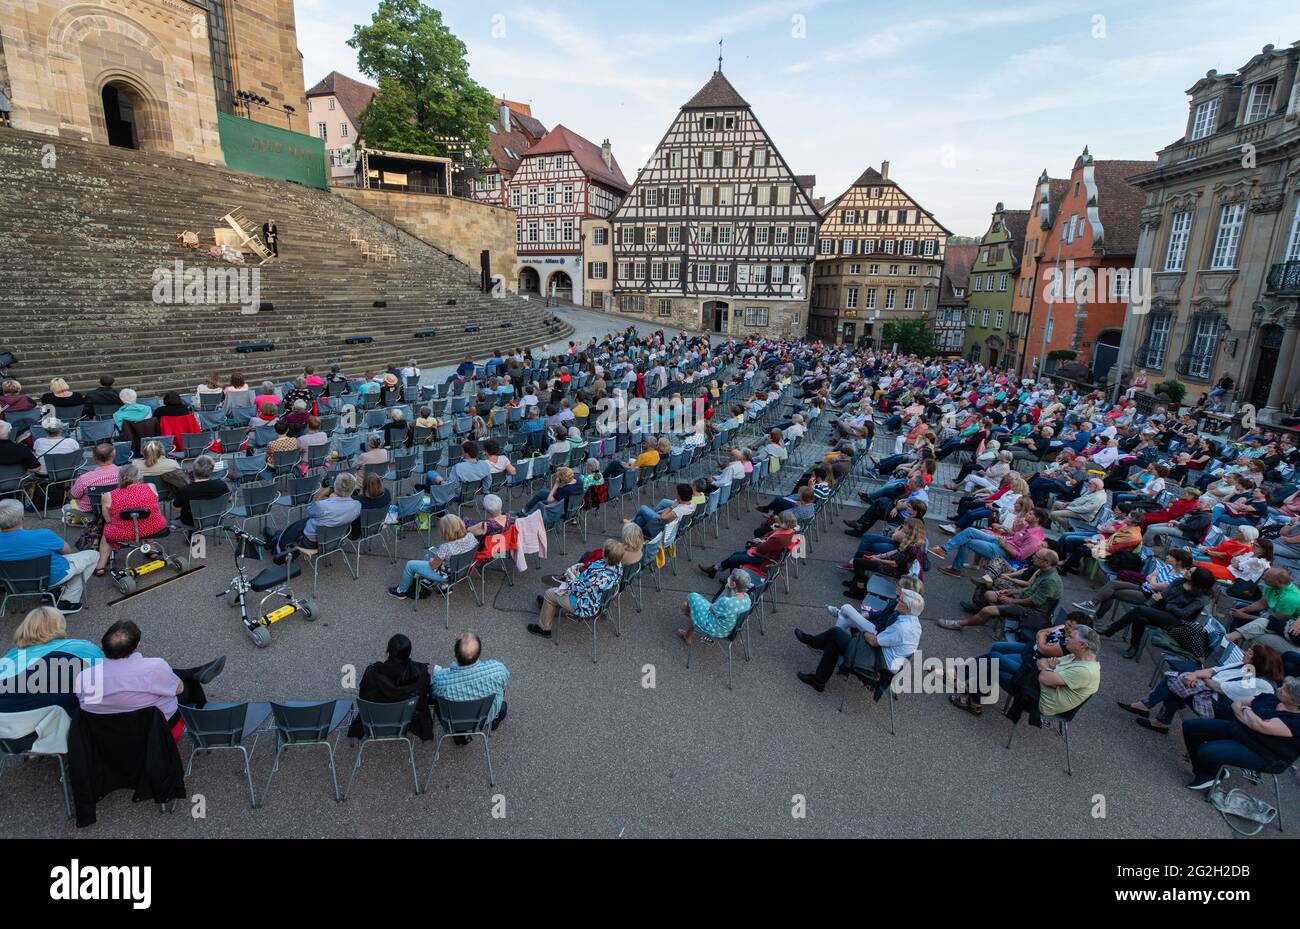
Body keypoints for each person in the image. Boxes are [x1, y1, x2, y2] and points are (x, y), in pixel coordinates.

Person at [74, 620, 226, 735]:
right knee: (187, 684)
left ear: (103, 646)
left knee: (158, 677)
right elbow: (179, 690)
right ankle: (203, 717)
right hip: (156, 732)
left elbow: (86, 704)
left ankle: (194, 673)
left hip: (108, 735)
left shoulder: (84, 677)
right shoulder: (153, 667)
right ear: (137, 645)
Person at [1119, 645, 1284, 734]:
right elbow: (1213, 671)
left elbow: (1218, 687)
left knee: (1178, 681)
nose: (1244, 654)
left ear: (1259, 661)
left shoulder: (1260, 683)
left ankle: (1149, 711)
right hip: (1210, 692)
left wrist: (1197, 676)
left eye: (1249, 653)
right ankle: (1155, 716)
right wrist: (1196, 674)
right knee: (1183, 680)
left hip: (1223, 708)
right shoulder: (1244, 665)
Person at [793, 588, 924, 693]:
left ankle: (813, 643)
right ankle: (818, 680)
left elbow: (873, 641)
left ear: (908, 608)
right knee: (835, 641)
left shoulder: (901, 627)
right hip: (887, 661)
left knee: (836, 633)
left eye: (900, 601)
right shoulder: (915, 624)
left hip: (877, 665)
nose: (897, 600)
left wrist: (865, 632)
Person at [1181, 678, 1300, 791]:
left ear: (1295, 701)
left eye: (1284, 690)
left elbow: (1262, 726)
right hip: (1241, 731)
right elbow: (1236, 704)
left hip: (1265, 754)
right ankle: (1208, 773)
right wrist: (1250, 720)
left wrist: (1247, 710)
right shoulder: (1272, 698)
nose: (1279, 689)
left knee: (1206, 751)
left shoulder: (1296, 722)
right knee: (1190, 727)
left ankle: (1210, 774)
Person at [0, 500, 99, 613]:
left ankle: (55, 591)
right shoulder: (43, 535)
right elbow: (67, 551)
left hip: (11, 583)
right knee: (93, 555)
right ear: (22, 517)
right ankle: (68, 601)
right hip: (51, 578)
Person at [0, 607, 103, 714]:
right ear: (59, 625)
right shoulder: (81, 647)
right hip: (61, 717)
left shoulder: (9, 657)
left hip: (9, 722)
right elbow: (108, 671)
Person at [1100, 565, 1217, 660]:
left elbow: (1183, 613)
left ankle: (1110, 630)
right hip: (1160, 611)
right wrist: (1150, 605)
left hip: (1176, 621)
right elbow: (1161, 595)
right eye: (1188, 569)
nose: (1186, 571)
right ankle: (1134, 647)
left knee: (1139, 610)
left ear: (1197, 579)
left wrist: (1166, 604)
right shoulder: (1179, 581)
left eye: (1190, 572)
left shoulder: (1202, 597)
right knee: (1140, 618)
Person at [939, 549, 1062, 633]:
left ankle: (959, 624)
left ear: (1047, 562)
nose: (1033, 558)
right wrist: (1011, 592)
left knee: (987, 610)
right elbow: (1031, 588)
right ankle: (992, 615)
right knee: (989, 594)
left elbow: (1034, 602)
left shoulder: (1051, 581)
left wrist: (1011, 601)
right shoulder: (1043, 570)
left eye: (1037, 557)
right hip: (1024, 600)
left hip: (1032, 612)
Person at [529, 539, 624, 638]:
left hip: (584, 604)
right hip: (597, 599)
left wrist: (568, 579)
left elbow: (578, 588)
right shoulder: (618, 565)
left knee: (549, 594)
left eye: (604, 549)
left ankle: (544, 629)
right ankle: (550, 606)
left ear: (606, 555)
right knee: (556, 592)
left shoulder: (598, 576)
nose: (602, 549)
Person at [346, 633, 433, 741]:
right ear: (409, 652)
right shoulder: (420, 673)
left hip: (376, 721)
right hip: (407, 720)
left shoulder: (372, 673)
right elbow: (426, 694)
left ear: (388, 651)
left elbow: (363, 695)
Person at [429, 632, 510, 733]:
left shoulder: (440, 680)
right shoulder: (498, 670)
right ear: (479, 653)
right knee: (500, 688)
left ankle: (460, 732)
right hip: (483, 718)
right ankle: (495, 717)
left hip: (452, 721)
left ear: (455, 654)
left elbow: (433, 695)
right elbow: (505, 680)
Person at [96, 463, 168, 575]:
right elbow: (154, 508)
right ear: (139, 476)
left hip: (125, 533)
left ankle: (101, 564)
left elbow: (109, 520)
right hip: (155, 527)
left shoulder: (107, 496)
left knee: (107, 530)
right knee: (146, 520)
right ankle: (151, 550)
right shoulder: (150, 486)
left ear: (119, 477)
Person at [389, 514, 478, 598]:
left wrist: (432, 561)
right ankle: (444, 588)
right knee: (431, 555)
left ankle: (400, 591)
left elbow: (434, 565)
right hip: (463, 570)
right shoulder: (471, 537)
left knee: (410, 564)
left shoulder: (446, 547)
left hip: (447, 575)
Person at [698, 511, 799, 580]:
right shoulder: (789, 532)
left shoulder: (779, 539)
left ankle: (731, 579)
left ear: (785, 523)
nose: (777, 521)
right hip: (768, 556)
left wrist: (760, 542)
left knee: (735, 558)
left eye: (780, 520)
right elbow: (768, 537)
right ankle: (716, 569)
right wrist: (763, 540)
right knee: (735, 555)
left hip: (764, 560)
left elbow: (761, 549)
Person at [678, 569, 752, 644]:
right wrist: (729, 591)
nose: (728, 578)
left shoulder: (726, 602)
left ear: (733, 584)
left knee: (692, 596)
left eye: (730, 577)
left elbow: (712, 609)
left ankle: (688, 633)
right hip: (730, 629)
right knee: (693, 606)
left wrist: (727, 591)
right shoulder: (747, 598)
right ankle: (690, 619)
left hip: (715, 629)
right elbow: (729, 608)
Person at [171, 455, 229, 530]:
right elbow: (228, 498)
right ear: (211, 470)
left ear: (194, 470)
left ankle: (193, 534)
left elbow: (176, 510)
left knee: (186, 511)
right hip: (215, 517)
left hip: (190, 521)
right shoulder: (221, 484)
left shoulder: (184, 490)